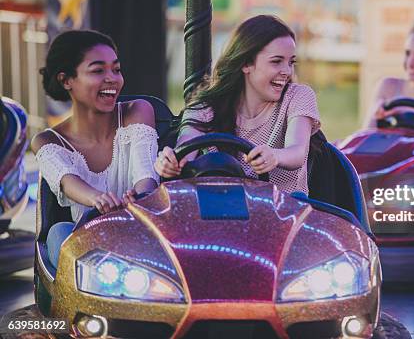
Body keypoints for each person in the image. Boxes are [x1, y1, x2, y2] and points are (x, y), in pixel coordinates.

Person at [32, 30, 159, 268]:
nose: (112, 78)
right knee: (59, 231)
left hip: (140, 234)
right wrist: (98, 199)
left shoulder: (137, 112)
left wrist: (140, 198)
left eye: (116, 69)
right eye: (98, 70)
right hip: (87, 242)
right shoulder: (48, 141)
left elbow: (146, 175)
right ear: (66, 80)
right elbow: (68, 182)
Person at [154, 15, 320, 195]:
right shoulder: (205, 108)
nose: (287, 71)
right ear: (246, 63)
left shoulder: (297, 97)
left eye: (291, 62)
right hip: (224, 213)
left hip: (283, 213)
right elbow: (184, 151)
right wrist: (169, 163)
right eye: (276, 61)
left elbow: (297, 151)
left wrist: (275, 156)